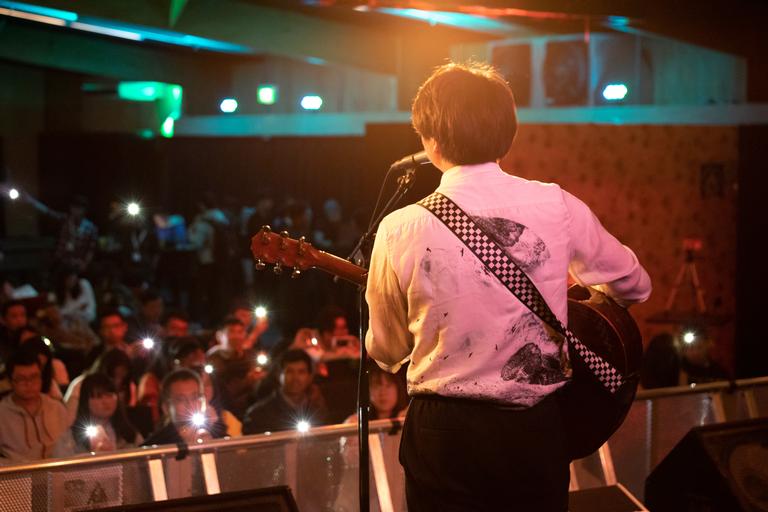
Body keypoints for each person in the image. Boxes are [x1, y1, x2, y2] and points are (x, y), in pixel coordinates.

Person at [364, 62, 652, 511]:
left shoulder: (400, 228)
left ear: (431, 140)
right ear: (507, 133)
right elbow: (634, 285)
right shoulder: (555, 203)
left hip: (445, 435)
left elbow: (387, 349)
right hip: (532, 430)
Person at [0, 350, 70, 462]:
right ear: (10, 381)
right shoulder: (3, 414)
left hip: (58, 473)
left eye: (34, 377)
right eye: (21, 379)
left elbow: (69, 446)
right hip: (18, 476)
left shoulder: (56, 408)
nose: (29, 384)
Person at [242, 349, 328, 434]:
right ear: (279, 375)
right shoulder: (259, 414)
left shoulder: (318, 410)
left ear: (309, 377)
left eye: (301, 372)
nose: (295, 378)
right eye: (289, 372)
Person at [55, 373, 142, 456]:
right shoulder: (70, 439)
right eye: (98, 396)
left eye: (110, 395)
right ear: (86, 401)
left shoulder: (130, 435)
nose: (106, 401)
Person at [142, 368, 224, 446]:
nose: (190, 405)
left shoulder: (217, 436)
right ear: (166, 408)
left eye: (195, 397)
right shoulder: (155, 446)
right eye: (181, 400)